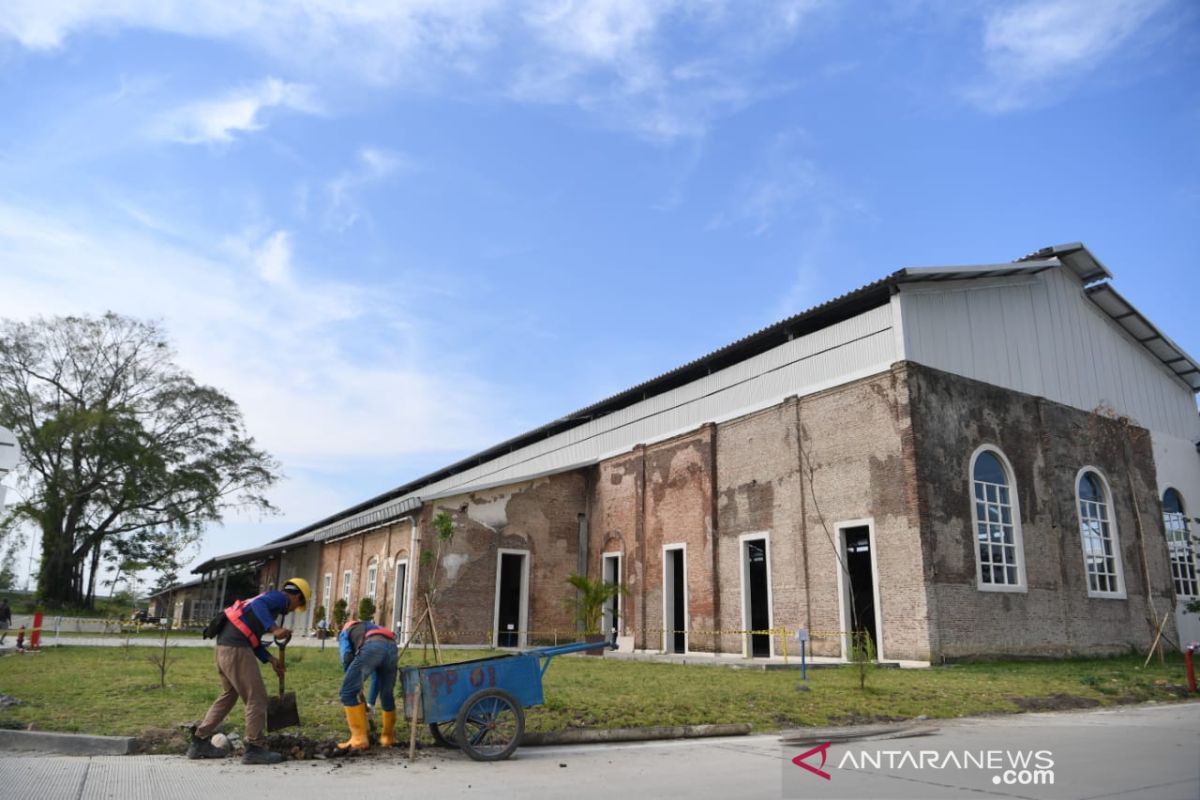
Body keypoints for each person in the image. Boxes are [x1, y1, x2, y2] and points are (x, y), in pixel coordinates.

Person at [187, 577, 311, 765]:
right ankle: (255, 748)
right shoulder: (278, 598)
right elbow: (260, 606)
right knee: (257, 697)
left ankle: (200, 741)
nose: (294, 609)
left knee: (229, 695)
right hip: (236, 649)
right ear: (296, 596)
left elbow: (251, 636)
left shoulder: (265, 603)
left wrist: (269, 659)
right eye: (298, 605)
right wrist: (275, 628)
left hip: (225, 649)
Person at [336, 617, 398, 752]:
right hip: (392, 646)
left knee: (347, 692)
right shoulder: (371, 627)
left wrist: (352, 682)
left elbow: (347, 657)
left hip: (373, 646)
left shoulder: (345, 631)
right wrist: (370, 703)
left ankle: (359, 740)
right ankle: (388, 738)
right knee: (387, 694)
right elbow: (377, 677)